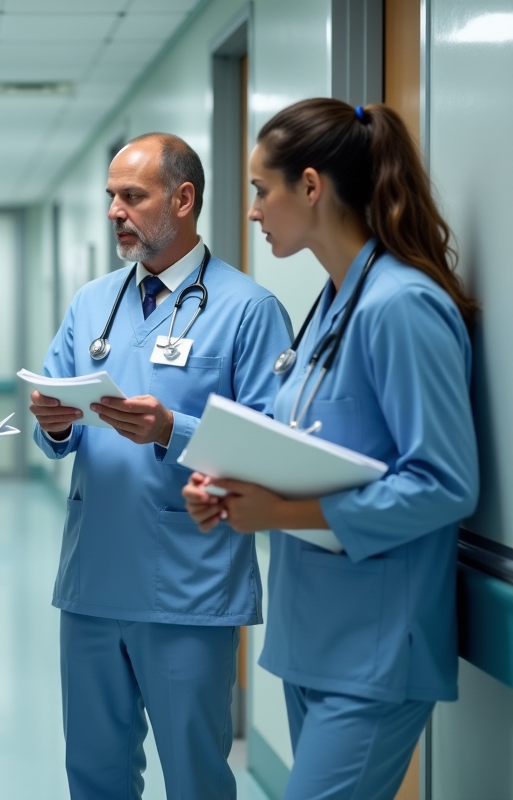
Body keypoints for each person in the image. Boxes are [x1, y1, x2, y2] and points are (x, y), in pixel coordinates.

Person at [183, 99, 479, 799]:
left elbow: (443, 482)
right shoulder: (331, 305)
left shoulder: (401, 306)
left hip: (377, 642)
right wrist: (231, 485)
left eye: (262, 189)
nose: (252, 210)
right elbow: (313, 446)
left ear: (311, 186)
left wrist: (277, 513)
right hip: (313, 637)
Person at [29, 133, 292, 800]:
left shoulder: (247, 309)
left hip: (189, 588)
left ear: (182, 199)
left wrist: (172, 430)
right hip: (92, 582)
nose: (114, 211)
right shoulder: (93, 303)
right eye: (110, 196)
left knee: (194, 778)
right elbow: (53, 428)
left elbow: (274, 452)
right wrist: (52, 423)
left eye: (132, 196)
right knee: (94, 776)